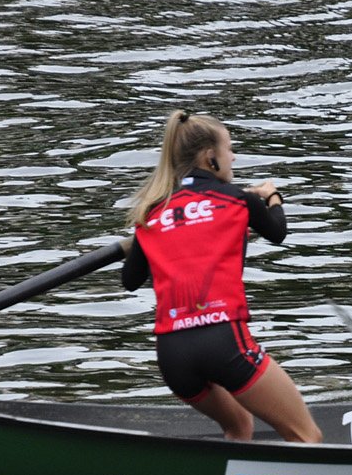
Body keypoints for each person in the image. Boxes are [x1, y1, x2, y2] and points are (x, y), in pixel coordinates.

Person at [121, 110, 322, 442]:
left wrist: (142, 240)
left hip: (173, 355)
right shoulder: (239, 200)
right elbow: (277, 232)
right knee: (306, 435)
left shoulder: (151, 214)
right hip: (223, 342)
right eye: (230, 148)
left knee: (239, 426)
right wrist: (271, 196)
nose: (234, 156)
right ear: (210, 157)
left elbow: (130, 281)